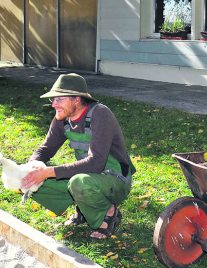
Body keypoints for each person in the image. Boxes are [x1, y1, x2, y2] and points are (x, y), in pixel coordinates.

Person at [21, 73, 135, 240]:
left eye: (59, 99)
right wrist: (31, 166)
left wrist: (47, 172)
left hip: (115, 179)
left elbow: (96, 163)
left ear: (76, 99)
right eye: (53, 100)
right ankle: (84, 208)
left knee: (79, 182)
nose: (53, 104)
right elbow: (45, 149)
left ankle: (109, 213)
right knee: (26, 180)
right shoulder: (62, 118)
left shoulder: (100, 114)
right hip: (89, 175)